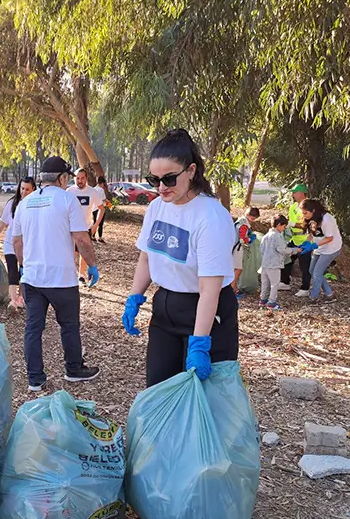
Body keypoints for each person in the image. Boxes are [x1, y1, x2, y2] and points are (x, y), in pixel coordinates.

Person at [122, 128, 238, 387]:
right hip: (166, 307)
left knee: (203, 397)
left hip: (205, 311)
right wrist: (134, 296)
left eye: (170, 179)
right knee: (159, 388)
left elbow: (209, 289)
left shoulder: (211, 217)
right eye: (154, 180)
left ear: (191, 171)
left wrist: (200, 343)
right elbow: (146, 258)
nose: (161, 188)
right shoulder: (156, 207)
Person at [12, 156, 100, 391]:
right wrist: (91, 265)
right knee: (69, 325)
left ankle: (35, 378)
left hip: (32, 278)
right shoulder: (67, 199)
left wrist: (23, 265)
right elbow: (81, 238)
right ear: (62, 178)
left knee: (33, 328)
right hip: (61, 278)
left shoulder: (26, 203)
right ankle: (73, 369)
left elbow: (17, 241)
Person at [0, 176, 35, 309]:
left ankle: (21, 297)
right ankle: (13, 300)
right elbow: (3, 222)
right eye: (22, 188)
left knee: (24, 271)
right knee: (12, 271)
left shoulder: (35, 205)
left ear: (33, 190)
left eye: (27, 189)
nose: (24, 192)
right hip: (11, 243)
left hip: (27, 245)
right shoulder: (12, 204)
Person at [300, 198, 342, 304]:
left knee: (317, 272)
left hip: (331, 248)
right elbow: (311, 233)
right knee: (312, 270)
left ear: (313, 211)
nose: (304, 215)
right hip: (319, 247)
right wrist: (307, 243)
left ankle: (314, 296)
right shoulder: (311, 219)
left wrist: (314, 245)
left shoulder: (327, 220)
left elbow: (329, 238)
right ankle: (329, 294)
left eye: (305, 213)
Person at [67, 168, 105, 283]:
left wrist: (95, 226)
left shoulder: (92, 192)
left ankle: (81, 274)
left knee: (84, 253)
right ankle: (71, 274)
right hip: (71, 228)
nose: (79, 181)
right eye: (77, 178)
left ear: (86, 178)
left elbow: (101, 209)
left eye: (82, 178)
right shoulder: (69, 191)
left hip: (85, 228)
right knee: (71, 252)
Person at [259, 214, 304, 311]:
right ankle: (271, 302)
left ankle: (263, 300)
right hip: (274, 264)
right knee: (274, 284)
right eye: (284, 227)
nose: (284, 229)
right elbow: (282, 249)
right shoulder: (277, 236)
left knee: (265, 283)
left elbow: (261, 249)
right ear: (279, 225)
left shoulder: (265, 236)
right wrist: (295, 250)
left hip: (265, 264)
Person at [281, 181, 312, 296]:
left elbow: (308, 225)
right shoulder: (293, 207)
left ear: (301, 193)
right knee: (286, 258)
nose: (292, 194)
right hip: (294, 239)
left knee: (305, 265)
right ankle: (285, 282)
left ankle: (305, 288)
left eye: (294, 192)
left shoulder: (308, 207)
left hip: (305, 240)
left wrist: (294, 224)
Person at [232, 206, 260, 296]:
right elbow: (242, 239)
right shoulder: (244, 225)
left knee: (235, 268)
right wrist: (250, 239)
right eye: (252, 218)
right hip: (237, 248)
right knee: (238, 268)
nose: (253, 220)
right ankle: (232, 287)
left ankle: (234, 287)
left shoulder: (240, 221)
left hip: (233, 247)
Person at [93, 176, 111, 243]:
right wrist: (108, 202)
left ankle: (93, 236)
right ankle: (100, 237)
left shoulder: (93, 189)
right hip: (101, 208)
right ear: (102, 183)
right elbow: (103, 199)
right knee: (100, 224)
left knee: (95, 222)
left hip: (94, 208)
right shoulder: (101, 190)